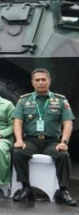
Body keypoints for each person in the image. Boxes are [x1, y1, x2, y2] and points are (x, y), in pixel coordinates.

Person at [11, 69, 76, 206]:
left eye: (43, 80)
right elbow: (17, 122)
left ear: (49, 81)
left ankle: (62, 191)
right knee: (18, 152)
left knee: (63, 155)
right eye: (37, 80)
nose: (40, 83)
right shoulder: (24, 100)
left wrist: (64, 142)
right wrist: (19, 140)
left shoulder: (60, 100)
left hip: (52, 141)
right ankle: (26, 188)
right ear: (32, 82)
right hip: (31, 140)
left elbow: (68, 123)